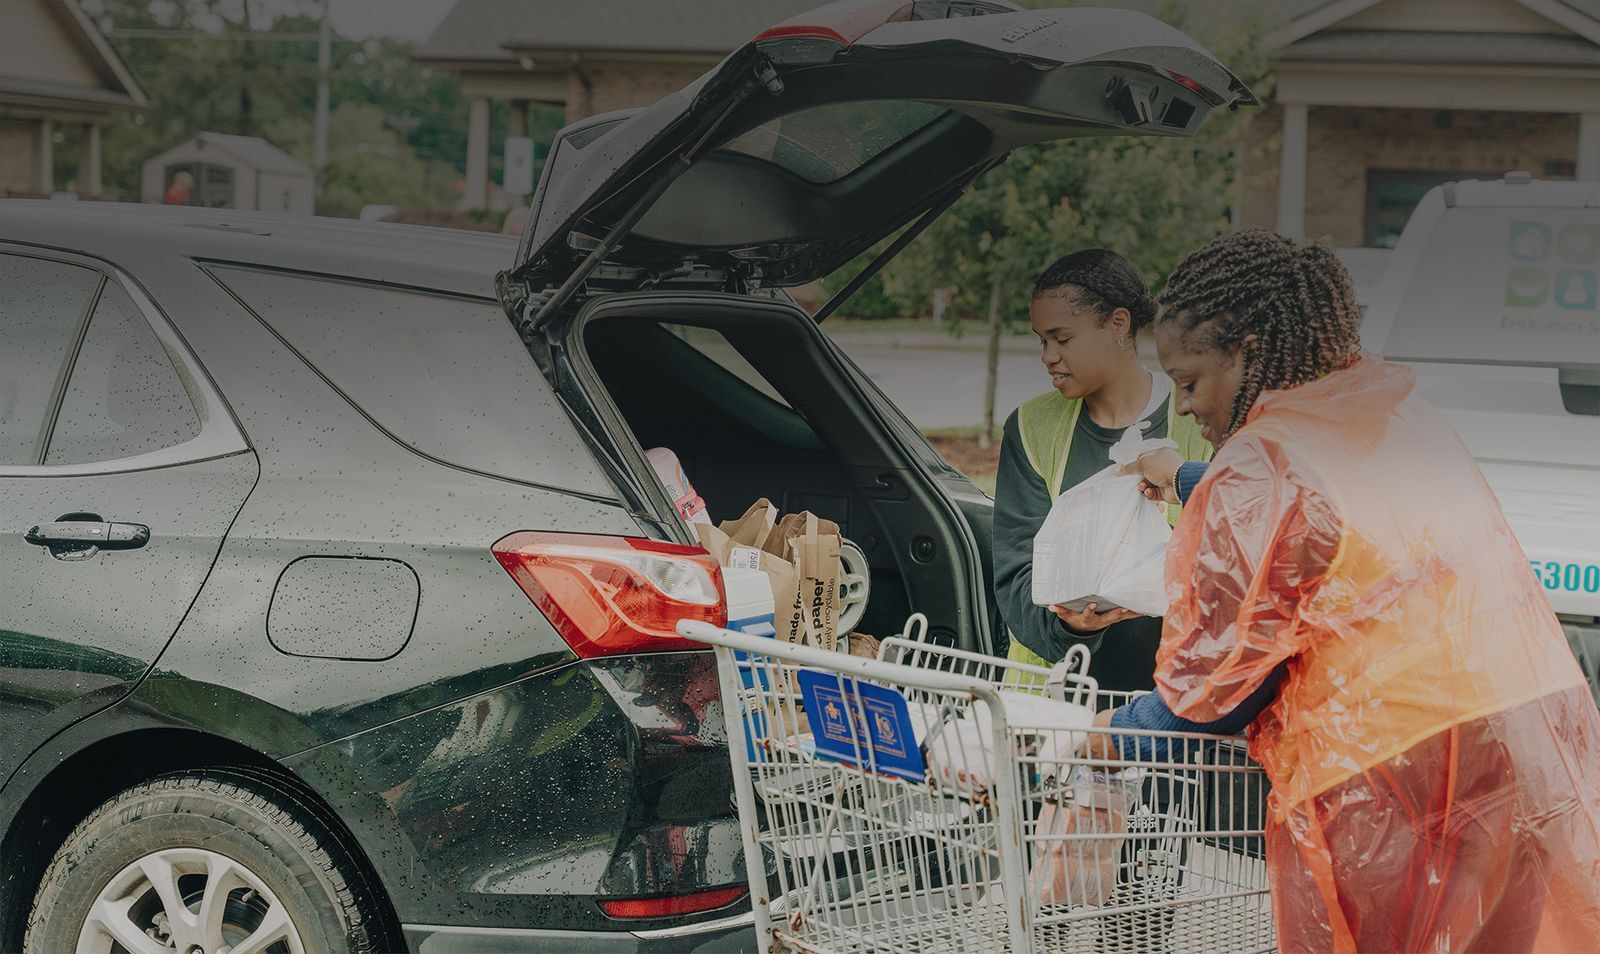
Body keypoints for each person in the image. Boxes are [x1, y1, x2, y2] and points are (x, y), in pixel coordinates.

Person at [1107, 229, 1600, 953]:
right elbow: (1333, 516)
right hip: (1518, 738)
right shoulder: (1391, 409)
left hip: (1387, 767)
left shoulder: (1258, 466)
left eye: (1189, 382)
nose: (1182, 408)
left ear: (1248, 349)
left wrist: (1101, 736)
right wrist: (1183, 478)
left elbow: (1212, 697)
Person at [992, 249, 1211, 692]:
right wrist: (1072, 629)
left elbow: (1239, 542)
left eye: (1062, 339)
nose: (1047, 356)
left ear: (1118, 324)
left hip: (1173, 703)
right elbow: (1017, 569)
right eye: (1041, 341)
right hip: (1056, 701)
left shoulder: (1200, 414)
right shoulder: (1032, 428)